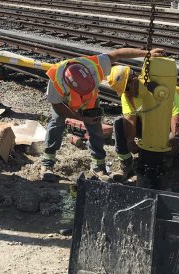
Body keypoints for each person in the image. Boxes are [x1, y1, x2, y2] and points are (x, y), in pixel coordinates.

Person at [40, 47, 164, 182]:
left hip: (90, 101)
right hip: (64, 103)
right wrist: (80, 118)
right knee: (56, 124)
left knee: (95, 129)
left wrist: (146, 53)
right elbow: (58, 107)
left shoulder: (94, 64)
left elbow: (118, 54)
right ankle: (47, 163)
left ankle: (98, 165)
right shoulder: (55, 81)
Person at [111, 68, 179, 180]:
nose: (127, 92)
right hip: (148, 127)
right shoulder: (127, 96)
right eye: (124, 90)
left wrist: (177, 139)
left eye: (127, 88)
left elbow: (175, 117)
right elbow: (129, 120)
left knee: (170, 145)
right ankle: (126, 163)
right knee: (119, 123)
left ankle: (167, 159)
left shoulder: (161, 89)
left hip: (169, 128)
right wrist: (130, 140)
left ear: (134, 78)